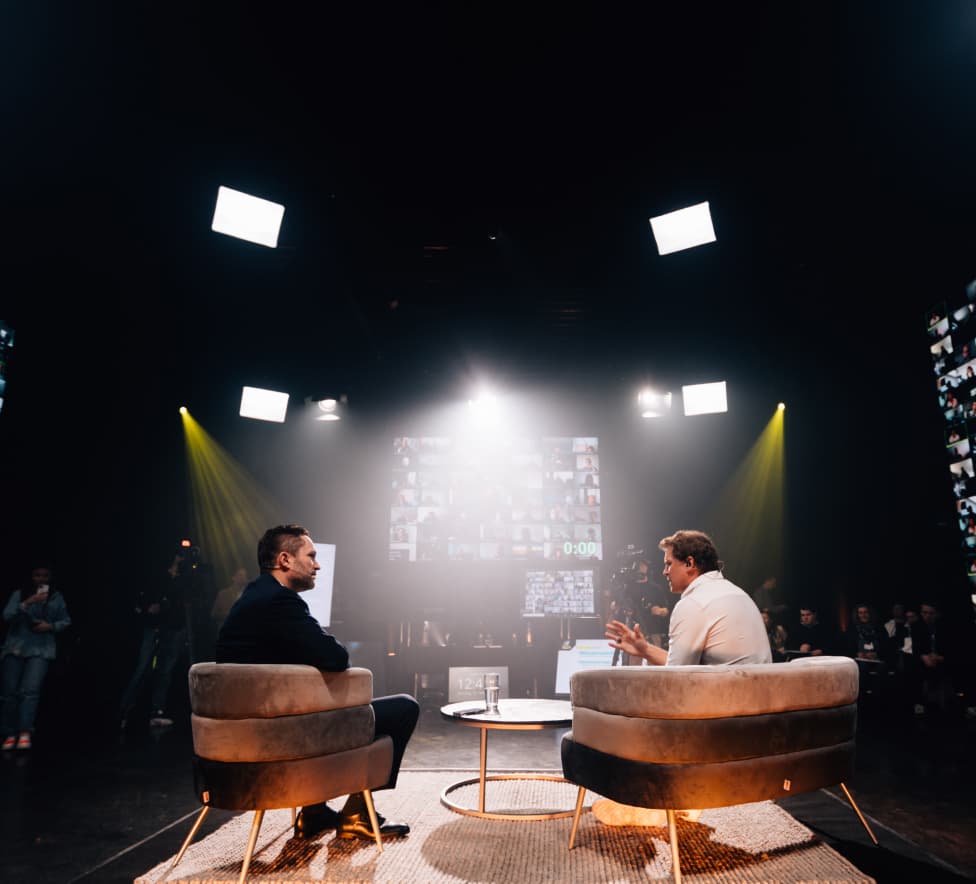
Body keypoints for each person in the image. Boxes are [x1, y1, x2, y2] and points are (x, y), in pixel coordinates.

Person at [216, 524, 418, 842]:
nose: (318, 565)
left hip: (243, 739)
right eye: (310, 556)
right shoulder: (280, 602)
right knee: (404, 708)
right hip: (278, 739)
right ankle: (357, 815)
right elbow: (336, 657)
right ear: (285, 560)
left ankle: (314, 812)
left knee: (328, 710)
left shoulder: (254, 597)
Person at [606, 530, 771, 666]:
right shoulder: (740, 594)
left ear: (689, 563)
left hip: (725, 696)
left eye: (669, 564)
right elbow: (679, 667)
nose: (664, 572)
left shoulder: (693, 604)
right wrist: (646, 650)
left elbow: (676, 677)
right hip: (756, 693)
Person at [1, 564, 72, 751]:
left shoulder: (56, 597)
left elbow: (65, 620)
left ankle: (25, 731)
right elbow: (7, 616)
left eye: (45, 575)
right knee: (9, 692)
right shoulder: (19, 594)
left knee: (30, 691)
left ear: (50, 577)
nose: (41, 579)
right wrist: (28, 601)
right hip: (16, 646)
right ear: (31, 577)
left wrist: (50, 626)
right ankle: (9, 731)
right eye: (37, 575)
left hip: (42, 648)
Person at [119, 549, 190, 730]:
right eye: (179, 555)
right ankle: (125, 709)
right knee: (144, 667)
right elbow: (147, 598)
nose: (181, 558)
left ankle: (157, 711)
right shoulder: (159, 575)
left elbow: (183, 601)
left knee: (165, 672)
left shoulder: (184, 578)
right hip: (155, 626)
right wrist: (149, 608)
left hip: (174, 628)